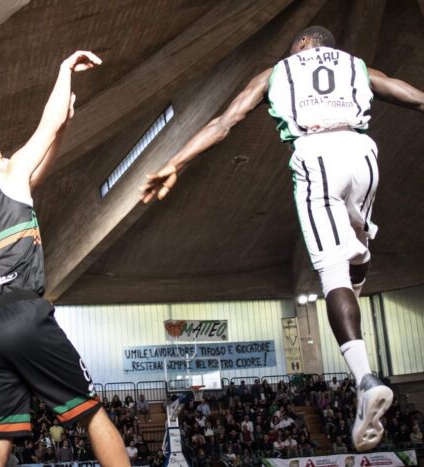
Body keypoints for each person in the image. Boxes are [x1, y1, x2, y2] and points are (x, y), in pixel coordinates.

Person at [141, 25, 424, 452]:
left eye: (295, 45)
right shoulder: (357, 67)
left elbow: (225, 121)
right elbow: (413, 95)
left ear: (307, 44)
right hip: (363, 155)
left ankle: (365, 380)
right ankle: (355, 284)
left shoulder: (277, 72)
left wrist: (176, 163)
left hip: (317, 157)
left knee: (331, 273)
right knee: (358, 250)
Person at [0, 51, 129, 467]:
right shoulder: (6, 179)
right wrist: (64, 72)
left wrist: (64, 125)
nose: (8, 156)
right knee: (90, 411)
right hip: (20, 313)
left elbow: (39, 170)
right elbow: (43, 130)